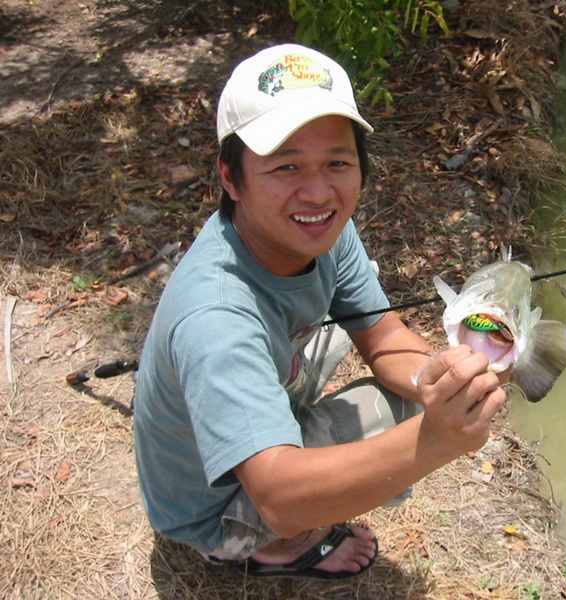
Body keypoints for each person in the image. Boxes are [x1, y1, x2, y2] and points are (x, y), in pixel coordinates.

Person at [133, 43, 507, 580]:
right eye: (285, 166)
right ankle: (271, 549)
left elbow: (380, 336)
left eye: (337, 162)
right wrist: (439, 437)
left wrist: (439, 378)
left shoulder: (321, 228)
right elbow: (282, 499)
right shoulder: (215, 319)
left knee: (410, 388)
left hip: (264, 410)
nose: (317, 191)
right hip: (220, 510)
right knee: (405, 418)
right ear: (230, 178)